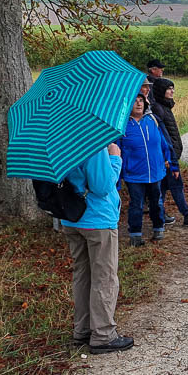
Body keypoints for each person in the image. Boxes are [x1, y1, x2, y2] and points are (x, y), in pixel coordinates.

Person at [61, 144, 134, 354]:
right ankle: (103, 335)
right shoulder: (91, 142)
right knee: (104, 276)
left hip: (72, 216)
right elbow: (102, 186)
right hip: (97, 219)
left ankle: (82, 329)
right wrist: (114, 158)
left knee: (82, 275)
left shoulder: (59, 140)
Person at [151, 78, 188, 228]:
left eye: (172, 88)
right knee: (176, 186)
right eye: (169, 88)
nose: (172, 91)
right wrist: (168, 157)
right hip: (167, 157)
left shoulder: (164, 107)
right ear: (161, 90)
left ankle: (159, 215)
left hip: (170, 155)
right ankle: (187, 215)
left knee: (162, 187)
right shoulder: (158, 109)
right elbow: (162, 137)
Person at [118, 94, 172, 246]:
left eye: (141, 101)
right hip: (134, 174)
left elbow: (163, 143)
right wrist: (119, 174)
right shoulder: (122, 126)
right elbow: (117, 150)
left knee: (157, 202)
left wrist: (168, 159)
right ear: (128, 106)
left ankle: (158, 227)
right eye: (134, 101)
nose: (138, 104)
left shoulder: (152, 120)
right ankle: (135, 234)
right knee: (137, 204)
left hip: (155, 172)